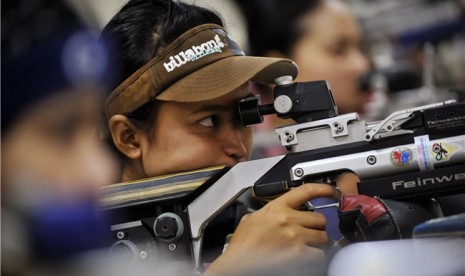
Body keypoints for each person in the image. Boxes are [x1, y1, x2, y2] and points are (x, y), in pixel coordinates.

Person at [100, 0, 340, 275]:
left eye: (243, 116)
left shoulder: (265, 230)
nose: (238, 147)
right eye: (208, 121)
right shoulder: (73, 248)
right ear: (129, 138)